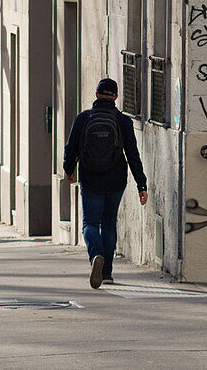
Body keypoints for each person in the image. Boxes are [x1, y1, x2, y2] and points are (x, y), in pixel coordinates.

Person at [64, 77, 148, 288]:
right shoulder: (124, 121)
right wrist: (141, 185)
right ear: (116, 97)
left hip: (91, 178)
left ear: (96, 94)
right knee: (109, 224)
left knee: (90, 224)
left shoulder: (83, 119)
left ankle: (96, 256)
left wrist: (69, 169)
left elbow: (70, 147)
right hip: (116, 180)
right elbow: (133, 155)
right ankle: (107, 272)